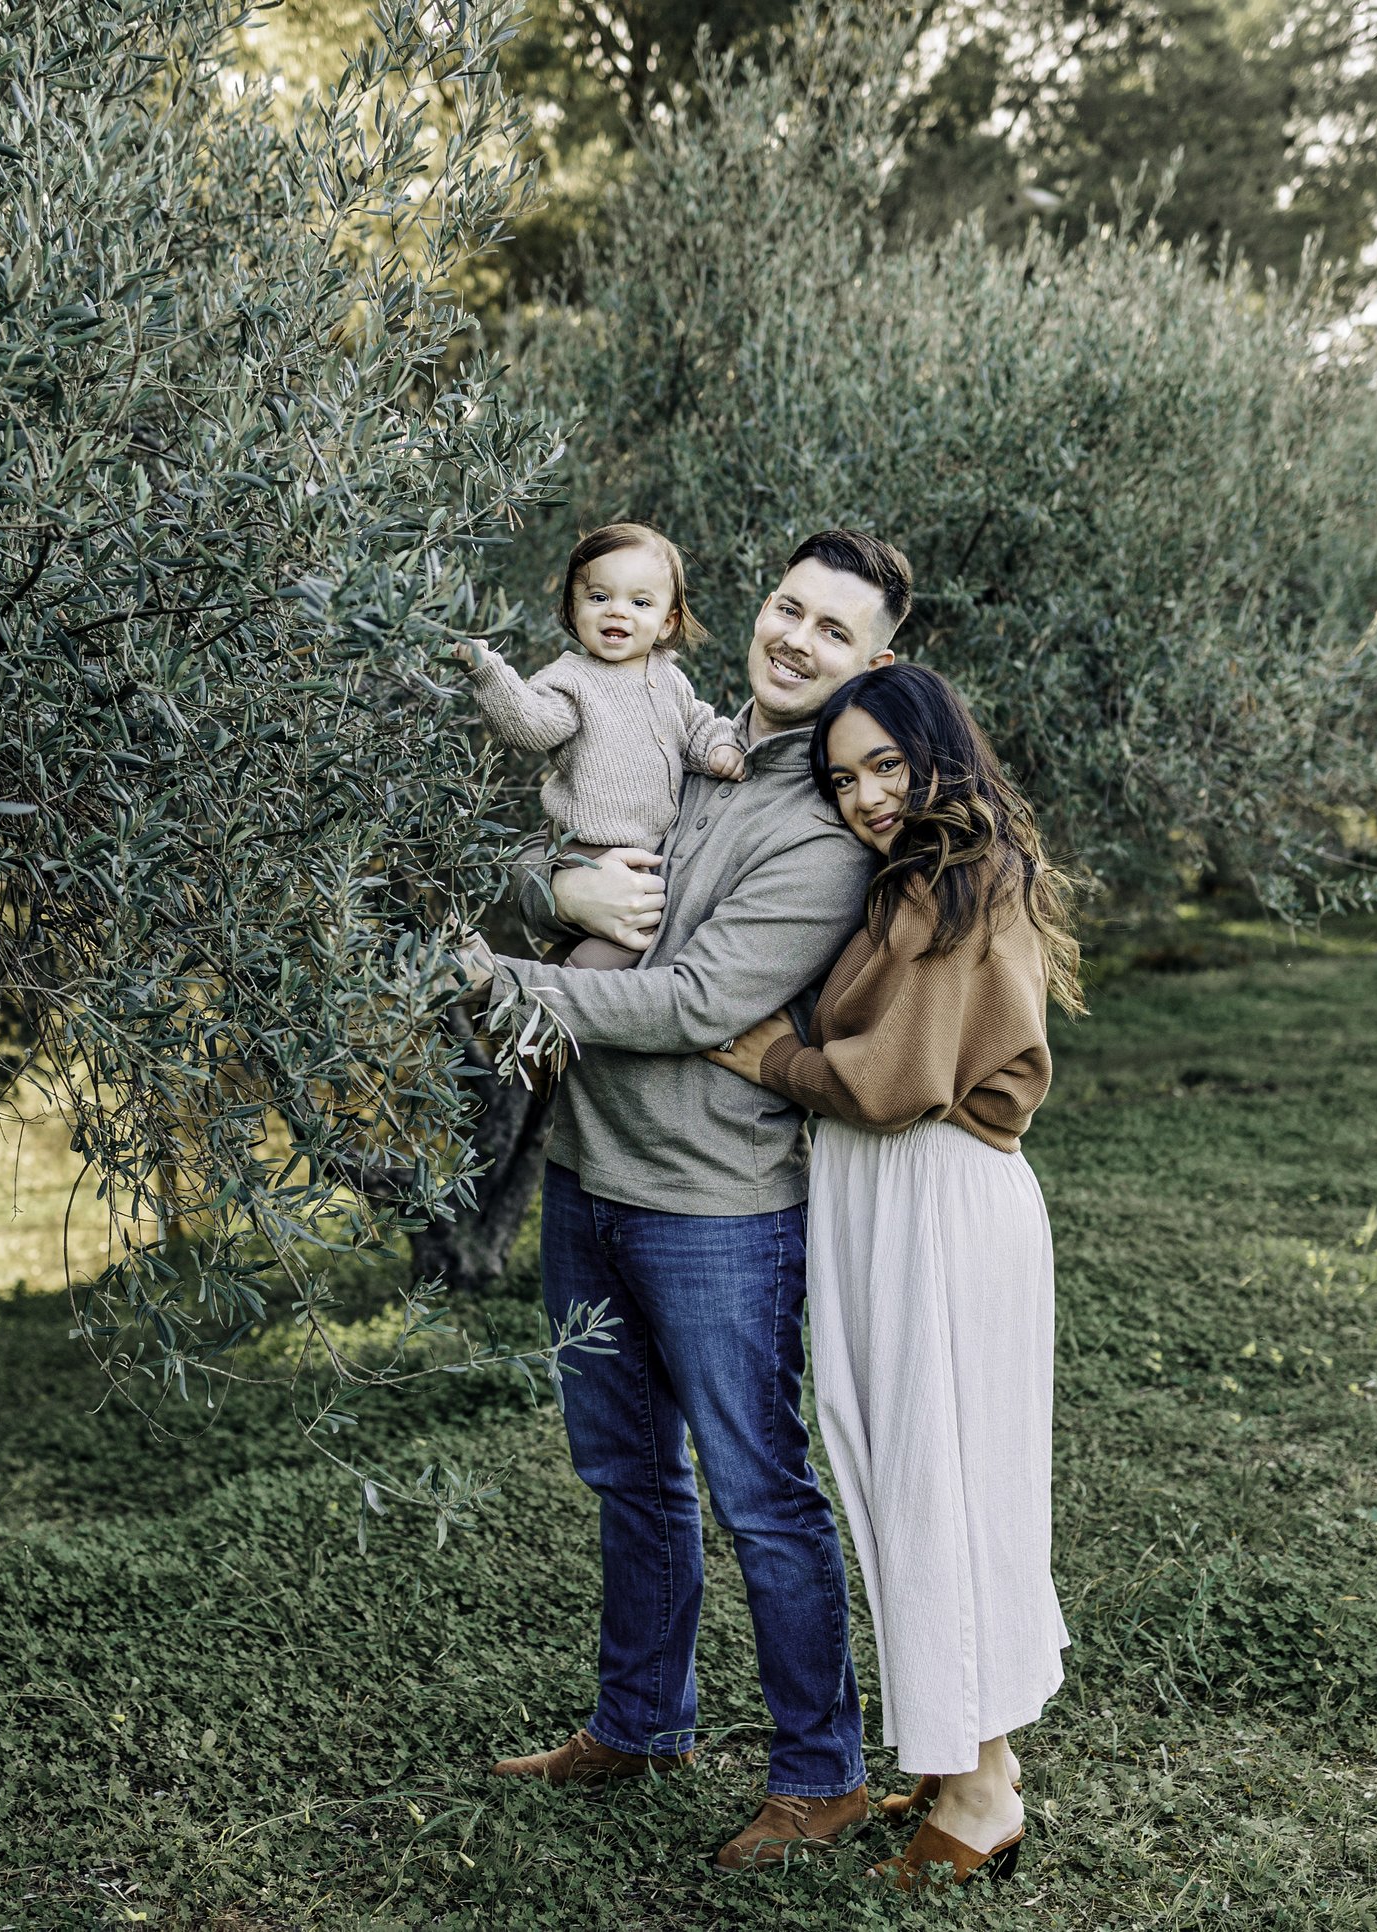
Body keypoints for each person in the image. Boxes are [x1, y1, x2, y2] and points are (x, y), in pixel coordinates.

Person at [461, 530, 913, 1871]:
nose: (799, 640)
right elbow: (533, 857)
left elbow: (699, 1000)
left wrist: (509, 982)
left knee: (761, 1493)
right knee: (627, 1479)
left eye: (834, 632)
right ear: (755, 611)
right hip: (587, 1176)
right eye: (789, 609)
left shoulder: (828, 828)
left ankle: (822, 1776)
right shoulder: (677, 736)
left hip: (716, 1209)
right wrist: (551, 887)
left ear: (871, 663)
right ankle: (641, 1720)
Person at [704, 662, 1082, 1891]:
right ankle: (968, 1750)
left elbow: (894, 1077)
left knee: (938, 1484)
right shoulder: (930, 873)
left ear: (940, 755)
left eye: (885, 764)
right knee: (916, 1475)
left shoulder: (952, 881)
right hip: (896, 1195)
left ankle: (980, 1794)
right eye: (843, 775)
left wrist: (779, 1062)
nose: (866, 794)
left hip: (932, 1191)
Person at [455, 522, 746, 968]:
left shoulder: (667, 675)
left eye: (640, 602)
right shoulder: (573, 680)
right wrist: (489, 673)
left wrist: (717, 748)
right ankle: (546, 1006)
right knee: (631, 935)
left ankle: (529, 993)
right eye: (599, 597)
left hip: (640, 853)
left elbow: (694, 724)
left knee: (610, 935)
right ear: (573, 611)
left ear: (667, 621)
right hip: (586, 848)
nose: (618, 612)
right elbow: (528, 725)